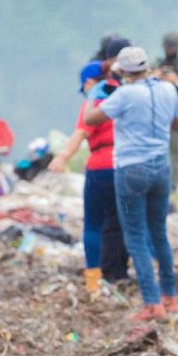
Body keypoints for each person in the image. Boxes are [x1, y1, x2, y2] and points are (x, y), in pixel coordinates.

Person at [84, 46, 178, 321]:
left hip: (131, 170)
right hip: (161, 167)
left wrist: (97, 96)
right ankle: (170, 296)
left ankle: (152, 304)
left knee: (136, 236)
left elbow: (91, 119)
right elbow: (176, 125)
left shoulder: (124, 94)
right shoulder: (168, 90)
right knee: (159, 233)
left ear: (124, 71)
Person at [48, 61, 127, 292]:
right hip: (125, 166)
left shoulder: (95, 101)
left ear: (90, 83)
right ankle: (119, 272)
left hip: (100, 166)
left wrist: (62, 157)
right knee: (120, 222)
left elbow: (81, 132)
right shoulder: (126, 95)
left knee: (93, 225)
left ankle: (93, 281)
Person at [152, 31, 178, 191]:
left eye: (172, 46)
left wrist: (176, 81)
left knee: (176, 150)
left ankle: (174, 184)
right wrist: (156, 77)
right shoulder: (156, 64)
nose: (170, 49)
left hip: (176, 112)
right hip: (155, 112)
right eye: (168, 46)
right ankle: (158, 182)